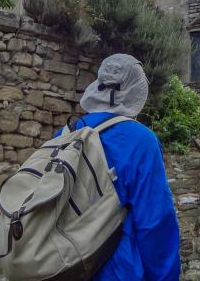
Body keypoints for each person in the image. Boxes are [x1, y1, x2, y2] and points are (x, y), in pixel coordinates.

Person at [65, 54, 181, 281]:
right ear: (135, 92)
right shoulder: (140, 140)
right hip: (118, 269)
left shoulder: (67, 133)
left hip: (66, 264)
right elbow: (155, 222)